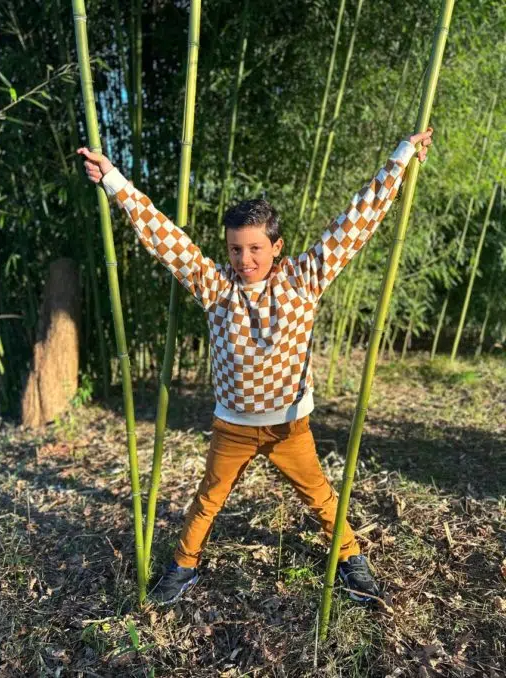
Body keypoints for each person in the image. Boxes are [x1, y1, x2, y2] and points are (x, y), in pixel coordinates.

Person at [77, 127, 433, 605]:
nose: (245, 259)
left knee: (320, 497)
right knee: (208, 499)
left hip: (289, 425)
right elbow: (162, 237)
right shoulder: (215, 285)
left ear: (277, 246)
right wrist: (114, 181)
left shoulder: (306, 278)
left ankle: (350, 557)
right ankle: (184, 566)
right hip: (234, 425)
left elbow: (357, 220)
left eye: (256, 249)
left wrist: (402, 157)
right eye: (236, 249)